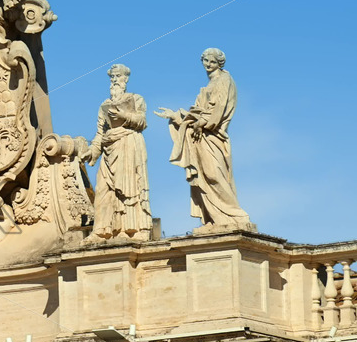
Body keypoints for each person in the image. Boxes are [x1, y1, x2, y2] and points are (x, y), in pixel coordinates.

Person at [155, 48, 251, 228]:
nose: (208, 64)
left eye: (212, 61)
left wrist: (202, 123)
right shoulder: (209, 85)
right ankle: (213, 218)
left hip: (212, 135)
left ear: (219, 63)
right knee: (204, 177)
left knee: (214, 174)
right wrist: (175, 116)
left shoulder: (224, 80)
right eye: (205, 61)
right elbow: (197, 113)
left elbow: (218, 108)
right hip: (200, 137)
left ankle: (235, 215)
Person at [80, 64, 152, 240]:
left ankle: (128, 230)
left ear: (125, 79)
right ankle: (101, 230)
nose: (114, 80)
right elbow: (100, 134)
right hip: (108, 148)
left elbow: (142, 122)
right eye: (112, 77)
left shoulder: (136, 99)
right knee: (103, 189)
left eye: (117, 76)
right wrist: (92, 152)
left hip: (128, 145)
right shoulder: (105, 105)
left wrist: (124, 116)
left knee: (127, 188)